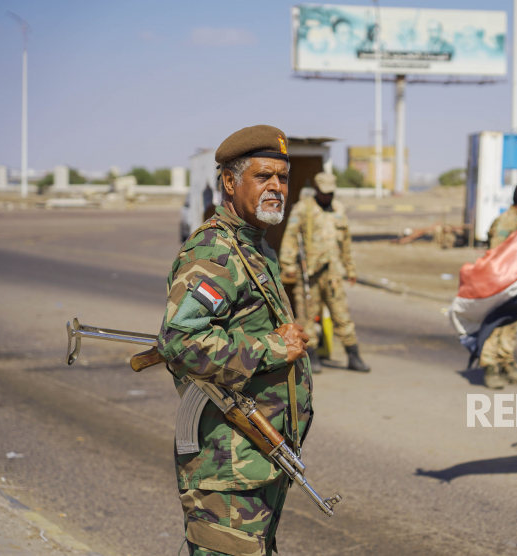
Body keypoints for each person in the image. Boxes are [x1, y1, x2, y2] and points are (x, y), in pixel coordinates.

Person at [157, 125, 312, 556]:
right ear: (230, 182)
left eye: (282, 177)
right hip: (226, 461)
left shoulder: (254, 246)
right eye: (263, 177)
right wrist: (273, 349)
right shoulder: (214, 251)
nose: (277, 187)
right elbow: (179, 341)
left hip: (257, 455)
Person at [280, 172, 370, 373]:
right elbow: (291, 237)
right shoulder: (303, 209)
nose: (327, 197)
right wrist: (287, 264)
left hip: (333, 273)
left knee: (341, 315)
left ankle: (353, 355)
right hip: (309, 273)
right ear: (317, 190)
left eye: (330, 193)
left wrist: (350, 268)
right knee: (306, 317)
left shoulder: (339, 209)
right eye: (324, 193)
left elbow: (345, 242)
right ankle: (311, 357)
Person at [480, 180, 517, 389]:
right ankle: (490, 368)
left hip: (514, 282)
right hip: (500, 281)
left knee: (509, 325)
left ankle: (507, 364)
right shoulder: (507, 222)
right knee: (495, 326)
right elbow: (495, 253)